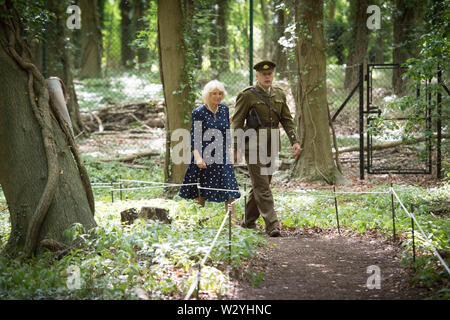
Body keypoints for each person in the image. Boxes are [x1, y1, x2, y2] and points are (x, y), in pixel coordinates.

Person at [231, 60, 301, 237]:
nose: (267, 77)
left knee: (262, 183)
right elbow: (237, 122)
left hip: (272, 142)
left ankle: (248, 221)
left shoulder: (279, 93)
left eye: (270, 74)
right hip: (252, 143)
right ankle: (272, 224)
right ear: (257, 76)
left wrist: (295, 141)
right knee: (262, 185)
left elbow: (286, 119)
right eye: (264, 74)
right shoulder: (247, 95)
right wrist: (236, 147)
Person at [179, 80, 240, 219]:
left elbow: (226, 133)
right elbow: (194, 136)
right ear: (208, 95)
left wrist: (230, 152)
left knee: (230, 188)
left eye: (220, 93)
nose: (218, 96)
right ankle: (198, 221)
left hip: (222, 154)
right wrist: (198, 157)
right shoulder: (198, 112)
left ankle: (233, 224)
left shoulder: (224, 110)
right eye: (214, 94)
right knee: (201, 191)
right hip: (204, 154)